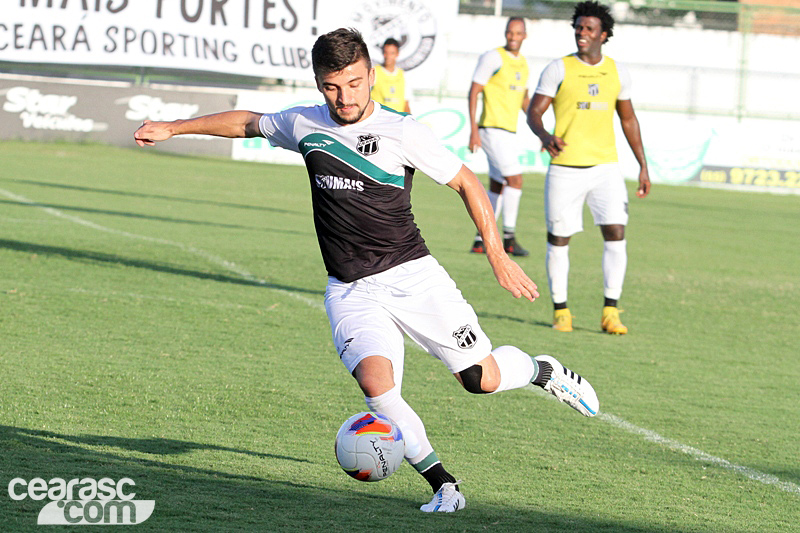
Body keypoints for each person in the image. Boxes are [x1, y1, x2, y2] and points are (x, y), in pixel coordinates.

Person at [134, 28, 598, 513]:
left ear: (371, 75)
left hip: (414, 277)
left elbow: (466, 183)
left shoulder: (403, 131)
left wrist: (498, 254)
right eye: (333, 87)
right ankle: (444, 485)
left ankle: (540, 369)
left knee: (480, 379)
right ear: (318, 83)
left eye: (354, 83)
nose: (345, 97)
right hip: (350, 289)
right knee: (378, 388)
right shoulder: (304, 124)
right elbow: (246, 122)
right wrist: (174, 126)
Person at [527, 1, 651, 334]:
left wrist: (642, 165)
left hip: (606, 169)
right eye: (579, 28)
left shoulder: (617, 71)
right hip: (565, 168)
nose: (582, 34)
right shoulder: (559, 68)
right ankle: (561, 311)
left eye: (589, 29)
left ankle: (611, 311)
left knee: (616, 234)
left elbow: (628, 119)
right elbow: (534, 113)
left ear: (603, 35)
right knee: (559, 239)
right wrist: (544, 134)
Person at [468, 17, 531, 257]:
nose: (513, 37)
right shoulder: (493, 57)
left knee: (498, 185)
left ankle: (480, 239)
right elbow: (474, 91)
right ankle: (509, 238)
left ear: (524, 36)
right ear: (506, 34)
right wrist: (474, 130)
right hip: (491, 129)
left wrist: (541, 131)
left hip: (508, 131)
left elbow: (524, 100)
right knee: (515, 180)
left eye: (517, 33)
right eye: (510, 33)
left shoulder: (523, 63)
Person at [371, 38, 411, 113]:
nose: (388, 56)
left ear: (397, 54)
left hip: (397, 121)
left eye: (392, 53)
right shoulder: (374, 72)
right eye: (386, 52)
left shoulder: (403, 75)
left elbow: (406, 103)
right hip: (379, 120)